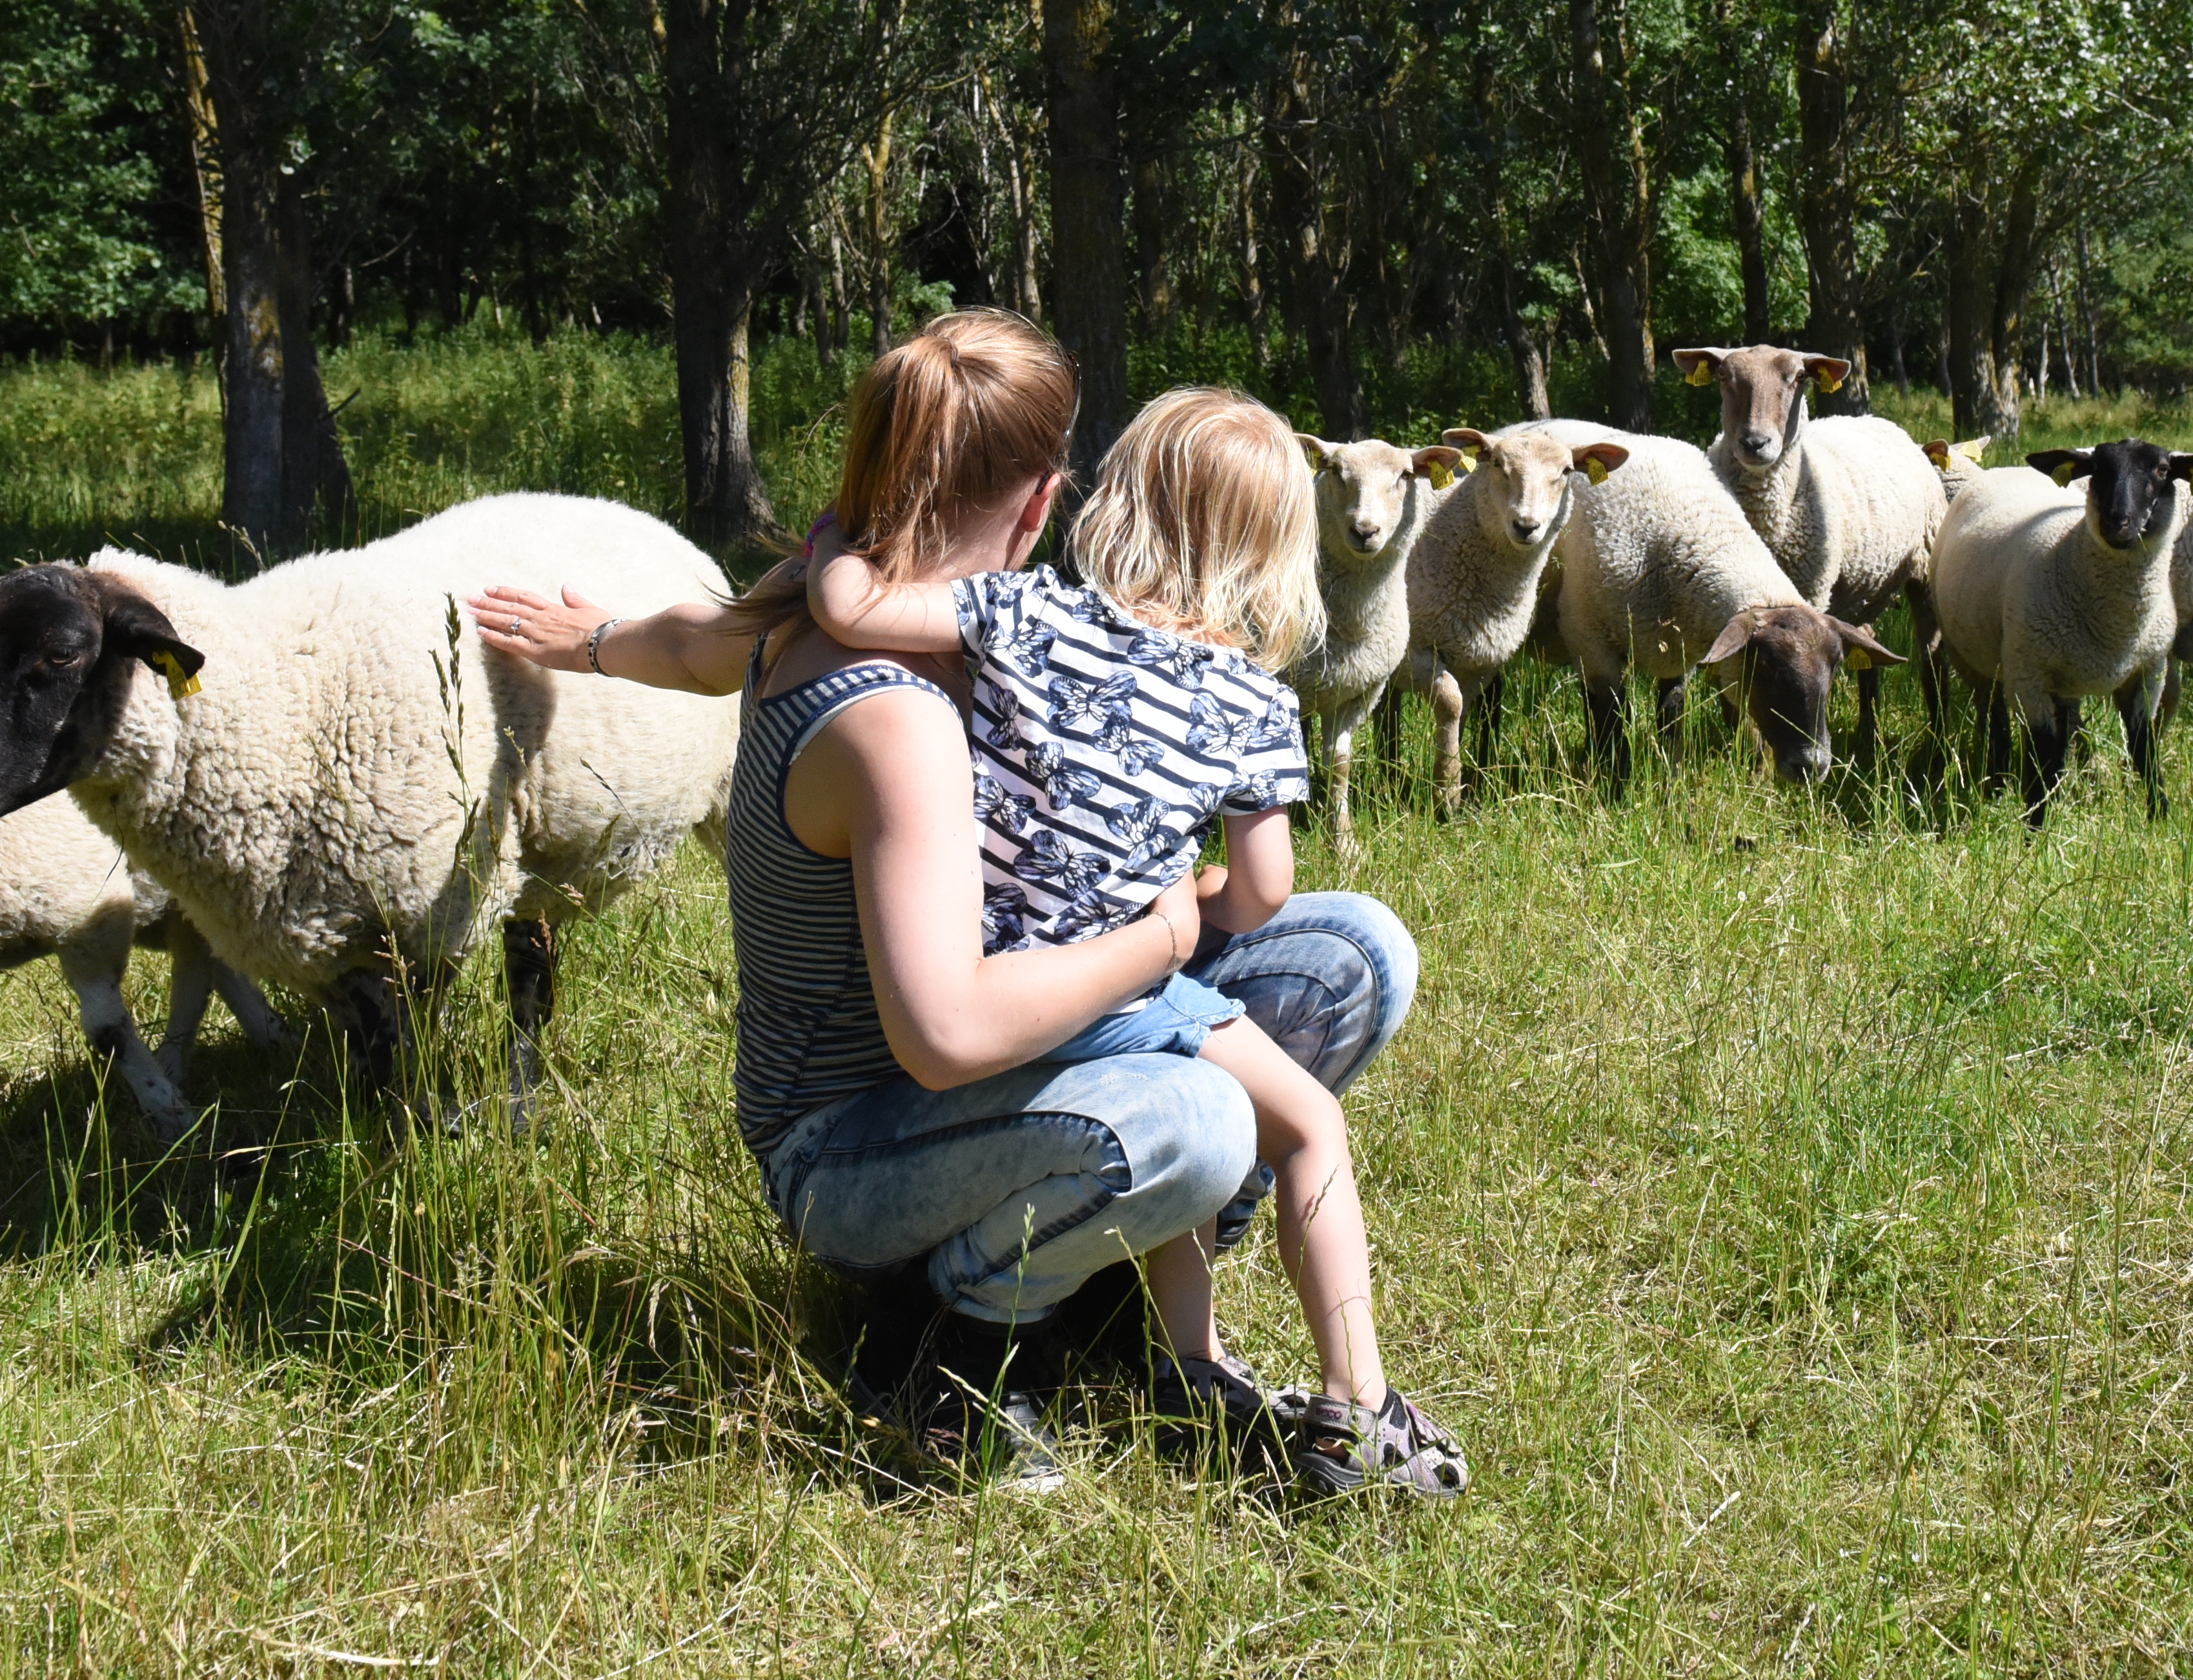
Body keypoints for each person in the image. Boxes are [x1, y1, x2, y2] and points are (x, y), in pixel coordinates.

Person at [468, 311, 1434, 1493]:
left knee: (1351, 954)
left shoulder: (919, 615)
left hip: (1015, 1039)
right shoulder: (900, 717)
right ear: (1041, 505)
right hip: (857, 1139)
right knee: (1206, 1117)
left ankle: (1096, 1285)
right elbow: (949, 1038)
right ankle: (944, 1342)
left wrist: (596, 640)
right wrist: (1166, 933)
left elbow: (704, 642)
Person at [804, 384, 1463, 1497]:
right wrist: (1187, 891)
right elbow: (1261, 893)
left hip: (988, 978)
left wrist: (832, 541)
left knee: (1198, 1095)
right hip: (1117, 978)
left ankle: (1187, 1361)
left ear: (1121, 504)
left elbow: (853, 609)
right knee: (1303, 1124)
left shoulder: (1027, 612)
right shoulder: (1255, 700)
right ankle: (1358, 1407)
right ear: (1278, 551)